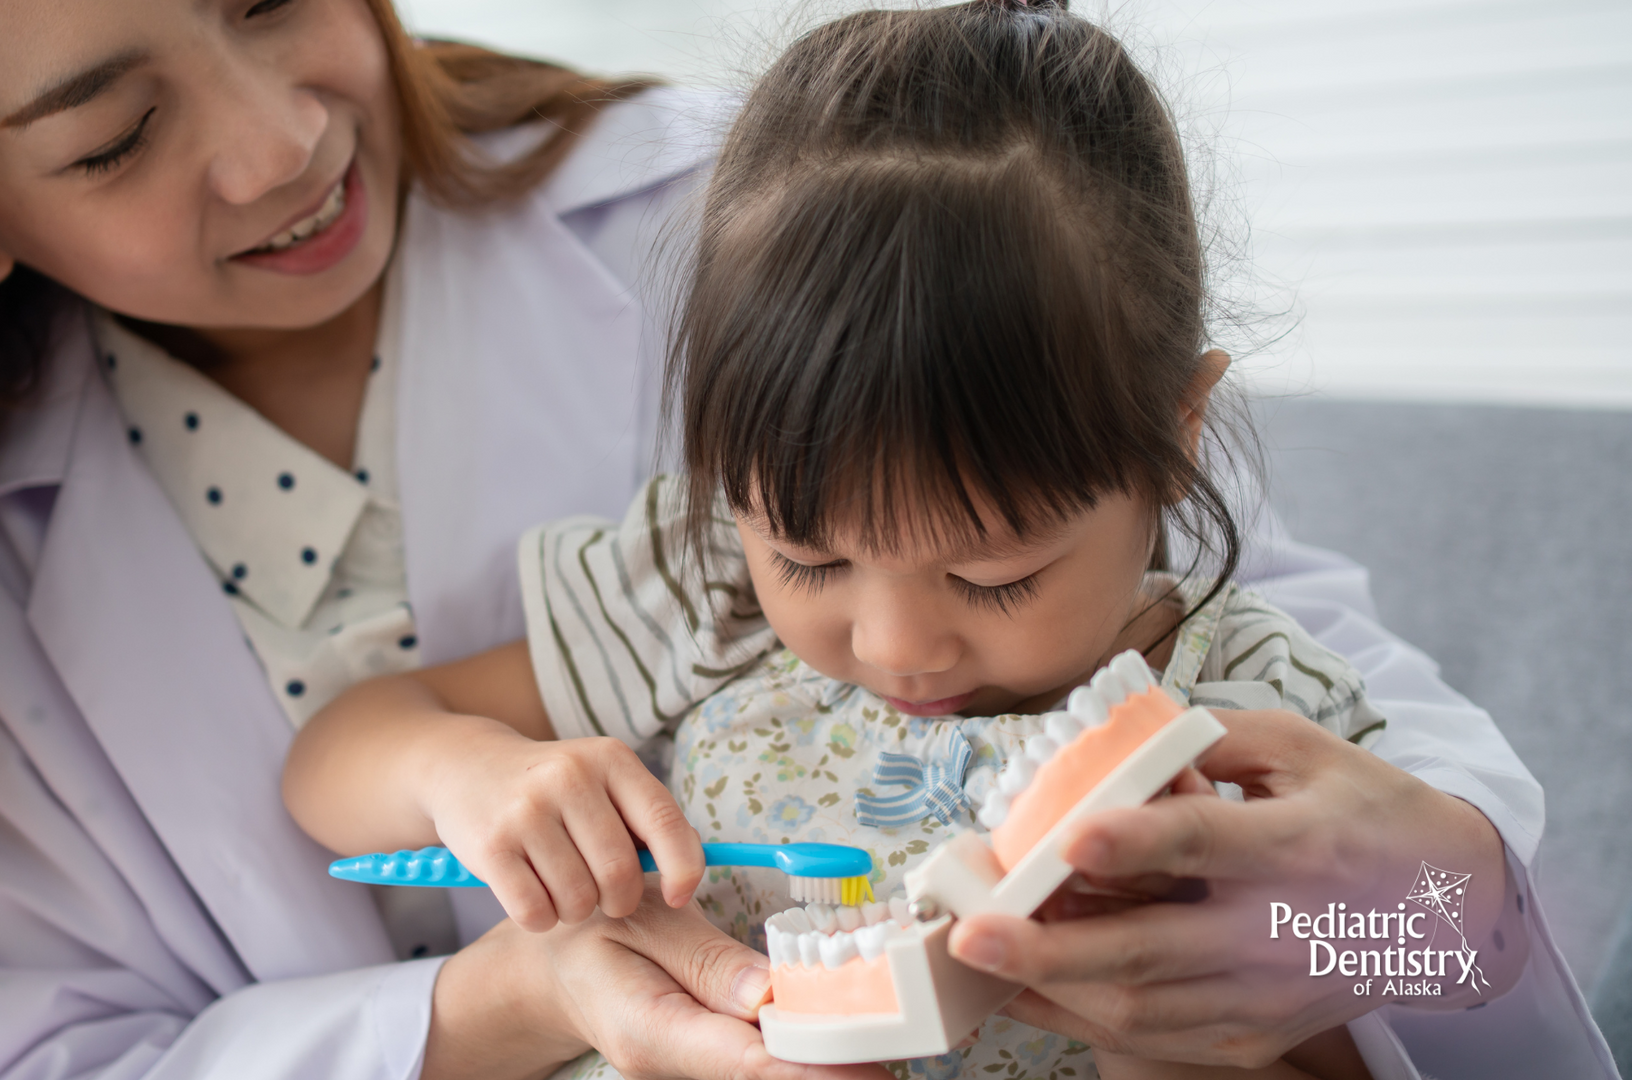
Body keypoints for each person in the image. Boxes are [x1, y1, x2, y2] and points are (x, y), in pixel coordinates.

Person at [0, 1, 1609, 1080]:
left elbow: (1430, 891)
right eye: (116, 134)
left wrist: (1352, 927)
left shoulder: (836, 216)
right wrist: (521, 988)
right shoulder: (688, 583)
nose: (279, 140)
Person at [281, 4, 1620, 1080]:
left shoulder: (1254, 724)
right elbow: (339, 755)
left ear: (1175, 440)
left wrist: (1219, 1032)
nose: (896, 643)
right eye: (811, 558)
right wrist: (468, 771)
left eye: (993, 574)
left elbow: (1439, 958)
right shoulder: (696, 591)